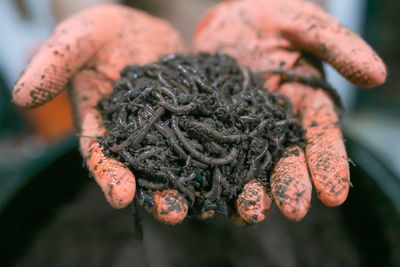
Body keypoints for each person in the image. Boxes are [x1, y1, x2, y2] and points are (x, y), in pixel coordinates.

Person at [12, 0, 386, 225]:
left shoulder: (246, 98)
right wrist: (89, 12)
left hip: (253, 34)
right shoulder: (145, 102)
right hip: (135, 31)